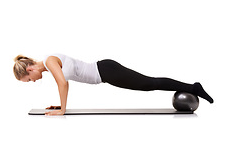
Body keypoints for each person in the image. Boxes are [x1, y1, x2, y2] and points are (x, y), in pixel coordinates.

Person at [13, 53, 214, 116]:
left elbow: (63, 84)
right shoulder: (49, 65)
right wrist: (59, 106)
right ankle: (192, 87)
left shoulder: (49, 61)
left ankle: (193, 88)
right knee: (148, 84)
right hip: (106, 72)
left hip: (107, 71)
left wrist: (62, 110)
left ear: (30, 69)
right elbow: (62, 83)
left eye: (28, 79)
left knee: (149, 84)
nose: (32, 82)